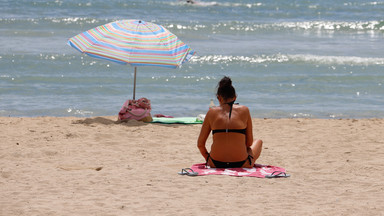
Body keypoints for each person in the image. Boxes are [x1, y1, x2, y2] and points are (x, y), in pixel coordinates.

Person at [197, 76, 263, 168]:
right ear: (235, 97)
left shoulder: (211, 112)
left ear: (219, 98)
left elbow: (200, 144)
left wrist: (208, 159)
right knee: (258, 142)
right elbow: (249, 143)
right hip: (242, 163)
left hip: (215, 163)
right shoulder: (244, 110)